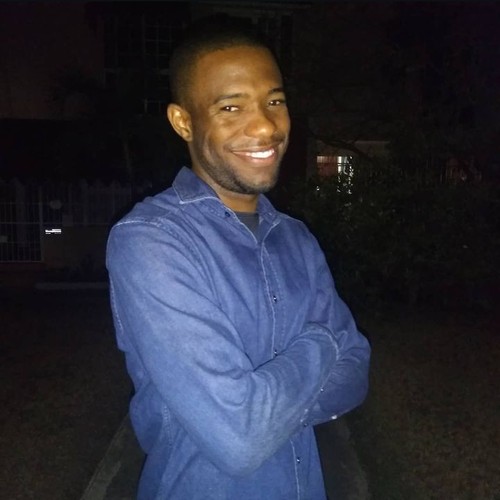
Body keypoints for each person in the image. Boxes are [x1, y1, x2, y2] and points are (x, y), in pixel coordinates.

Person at [106, 19, 371, 500]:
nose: (266, 126)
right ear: (183, 122)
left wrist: (265, 410)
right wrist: (323, 341)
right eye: (231, 107)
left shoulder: (296, 239)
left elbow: (356, 374)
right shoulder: (152, 241)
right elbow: (239, 436)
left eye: (275, 101)